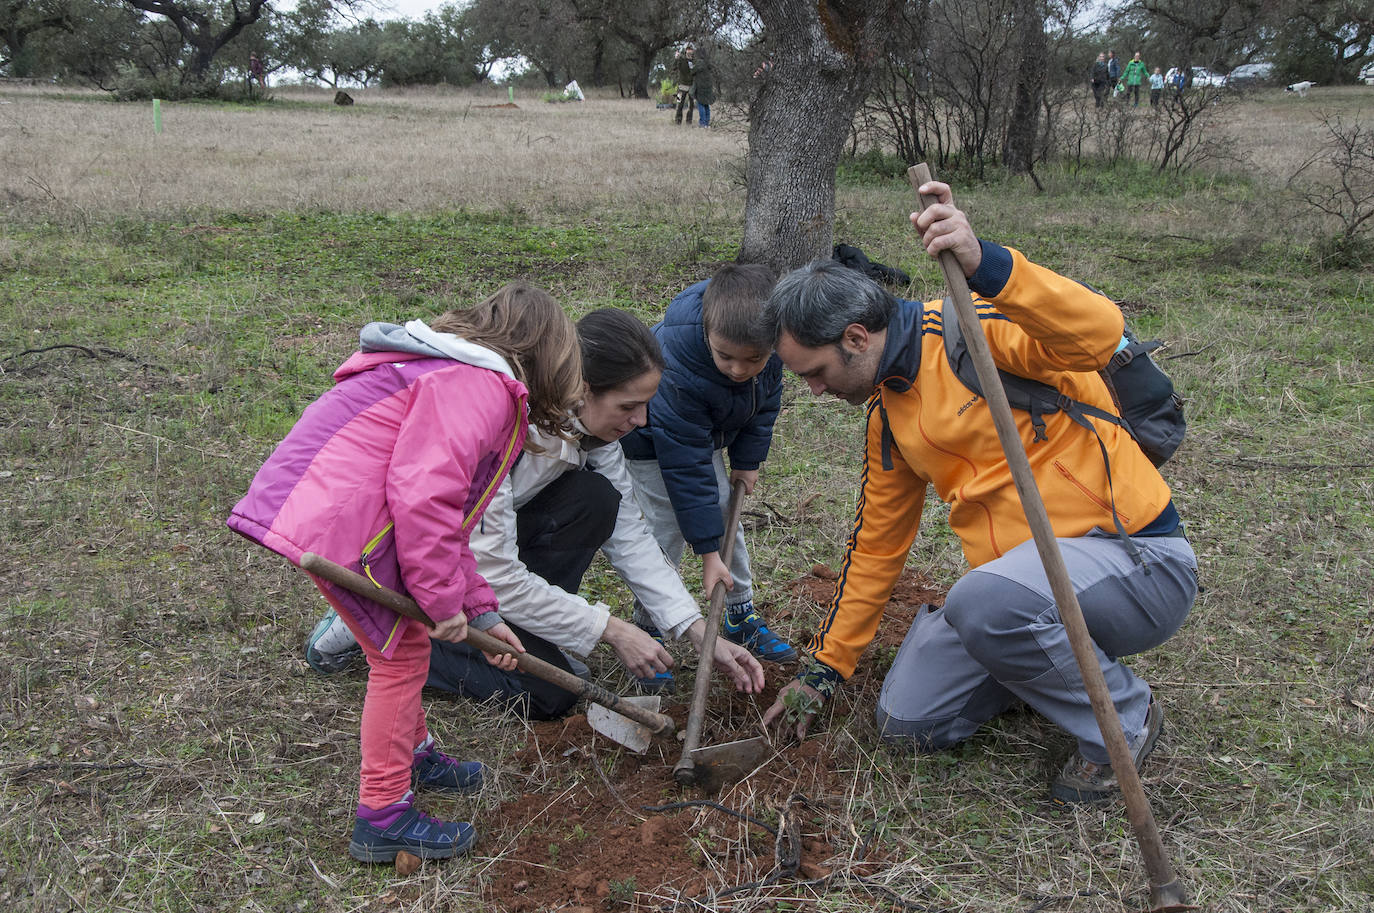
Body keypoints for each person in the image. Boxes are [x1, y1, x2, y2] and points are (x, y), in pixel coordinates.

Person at [759, 181, 1198, 804]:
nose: (815, 392)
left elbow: (1102, 334)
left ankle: (1126, 718)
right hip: (1023, 591)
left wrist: (985, 264)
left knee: (982, 603)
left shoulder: (976, 331)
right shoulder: (889, 416)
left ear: (856, 337)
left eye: (816, 373)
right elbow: (877, 547)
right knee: (910, 720)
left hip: (1136, 562)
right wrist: (825, 669)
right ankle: (1043, 669)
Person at [228, 284, 584, 863]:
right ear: (547, 355)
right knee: (399, 657)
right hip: (344, 524)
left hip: (348, 516)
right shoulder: (477, 387)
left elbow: (453, 519)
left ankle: (412, 750)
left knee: (403, 645)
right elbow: (424, 499)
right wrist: (444, 605)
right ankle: (383, 814)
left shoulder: (456, 375)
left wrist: (479, 611)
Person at [304, 309, 767, 715]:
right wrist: (609, 629)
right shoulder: (504, 425)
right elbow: (493, 572)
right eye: (629, 406)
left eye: (646, 405)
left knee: (595, 499)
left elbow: (628, 530)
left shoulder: (585, 428)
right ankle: (390, 627)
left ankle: (536, 635)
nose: (641, 421)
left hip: (476, 559)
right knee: (552, 695)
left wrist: (695, 629)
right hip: (418, 566)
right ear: (583, 391)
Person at [621, 264, 799, 692]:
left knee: (723, 506)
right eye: (726, 357)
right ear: (706, 331)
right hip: (649, 440)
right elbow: (685, 467)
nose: (739, 370)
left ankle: (739, 614)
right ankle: (648, 626)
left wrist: (747, 460)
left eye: (752, 359)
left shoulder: (769, 351)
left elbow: (764, 406)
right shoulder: (676, 365)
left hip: (701, 435)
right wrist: (707, 554)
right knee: (666, 527)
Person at [674, 45, 695, 125]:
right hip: (681, 86)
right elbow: (674, 67)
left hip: (691, 87)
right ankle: (677, 121)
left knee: (691, 105)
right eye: (688, 49)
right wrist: (676, 59)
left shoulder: (695, 61)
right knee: (679, 104)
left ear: (693, 51)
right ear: (685, 50)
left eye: (691, 49)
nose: (689, 51)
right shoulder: (681, 59)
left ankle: (689, 121)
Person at [693, 50, 715, 128]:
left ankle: (702, 123)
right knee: (706, 105)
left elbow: (692, 72)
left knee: (701, 104)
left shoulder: (699, 63)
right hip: (708, 87)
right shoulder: (708, 63)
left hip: (701, 87)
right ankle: (707, 123)